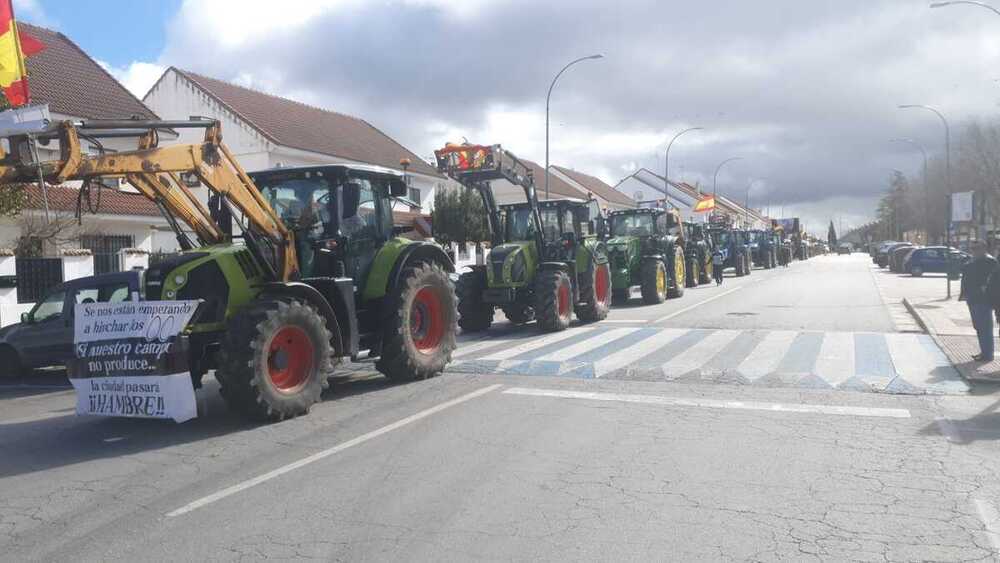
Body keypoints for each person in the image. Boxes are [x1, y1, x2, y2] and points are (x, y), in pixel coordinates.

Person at [960, 240, 997, 362]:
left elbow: (992, 280)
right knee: (978, 327)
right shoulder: (971, 261)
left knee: (985, 327)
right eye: (972, 248)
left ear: (984, 249)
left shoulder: (989, 261)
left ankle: (988, 354)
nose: (974, 251)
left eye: (977, 248)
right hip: (972, 298)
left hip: (983, 299)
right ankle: (984, 352)